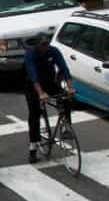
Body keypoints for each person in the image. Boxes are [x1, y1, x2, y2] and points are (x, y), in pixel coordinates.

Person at [24, 34, 74, 163]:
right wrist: (41, 93)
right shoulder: (31, 54)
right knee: (34, 115)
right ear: (37, 45)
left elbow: (64, 68)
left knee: (65, 98)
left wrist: (70, 87)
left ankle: (65, 125)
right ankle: (33, 147)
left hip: (49, 83)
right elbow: (32, 74)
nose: (45, 47)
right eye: (42, 45)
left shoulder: (53, 51)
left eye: (47, 44)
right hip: (33, 86)